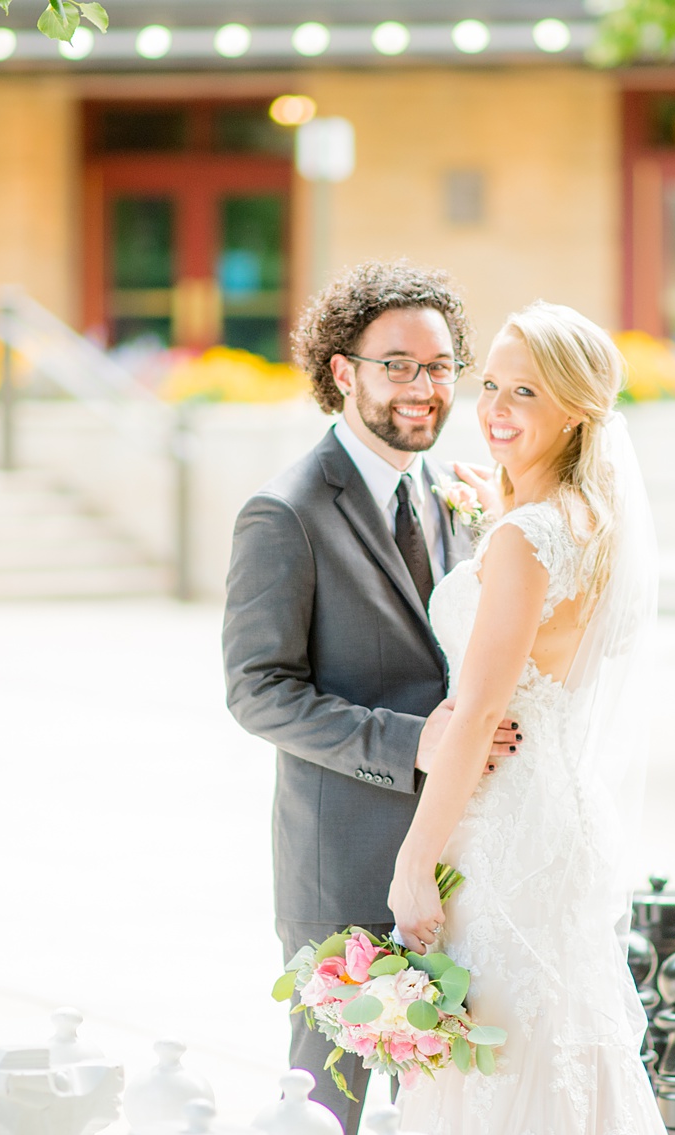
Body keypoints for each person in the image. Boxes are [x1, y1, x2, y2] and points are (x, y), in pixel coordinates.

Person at [222, 260, 520, 1132]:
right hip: (344, 868)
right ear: (343, 370)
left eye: (439, 366)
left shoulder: (456, 495)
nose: (424, 388)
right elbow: (256, 691)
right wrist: (409, 741)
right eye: (398, 364)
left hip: (460, 858)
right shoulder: (285, 512)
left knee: (437, 1101)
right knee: (330, 1108)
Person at [392, 301, 664, 1133]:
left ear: (577, 410)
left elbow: (475, 719)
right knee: (560, 1037)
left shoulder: (526, 538)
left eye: (527, 395)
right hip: (563, 811)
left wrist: (413, 862)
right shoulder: (593, 523)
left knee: (493, 1055)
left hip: (503, 821)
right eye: (491, 386)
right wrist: (499, 514)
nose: (496, 411)